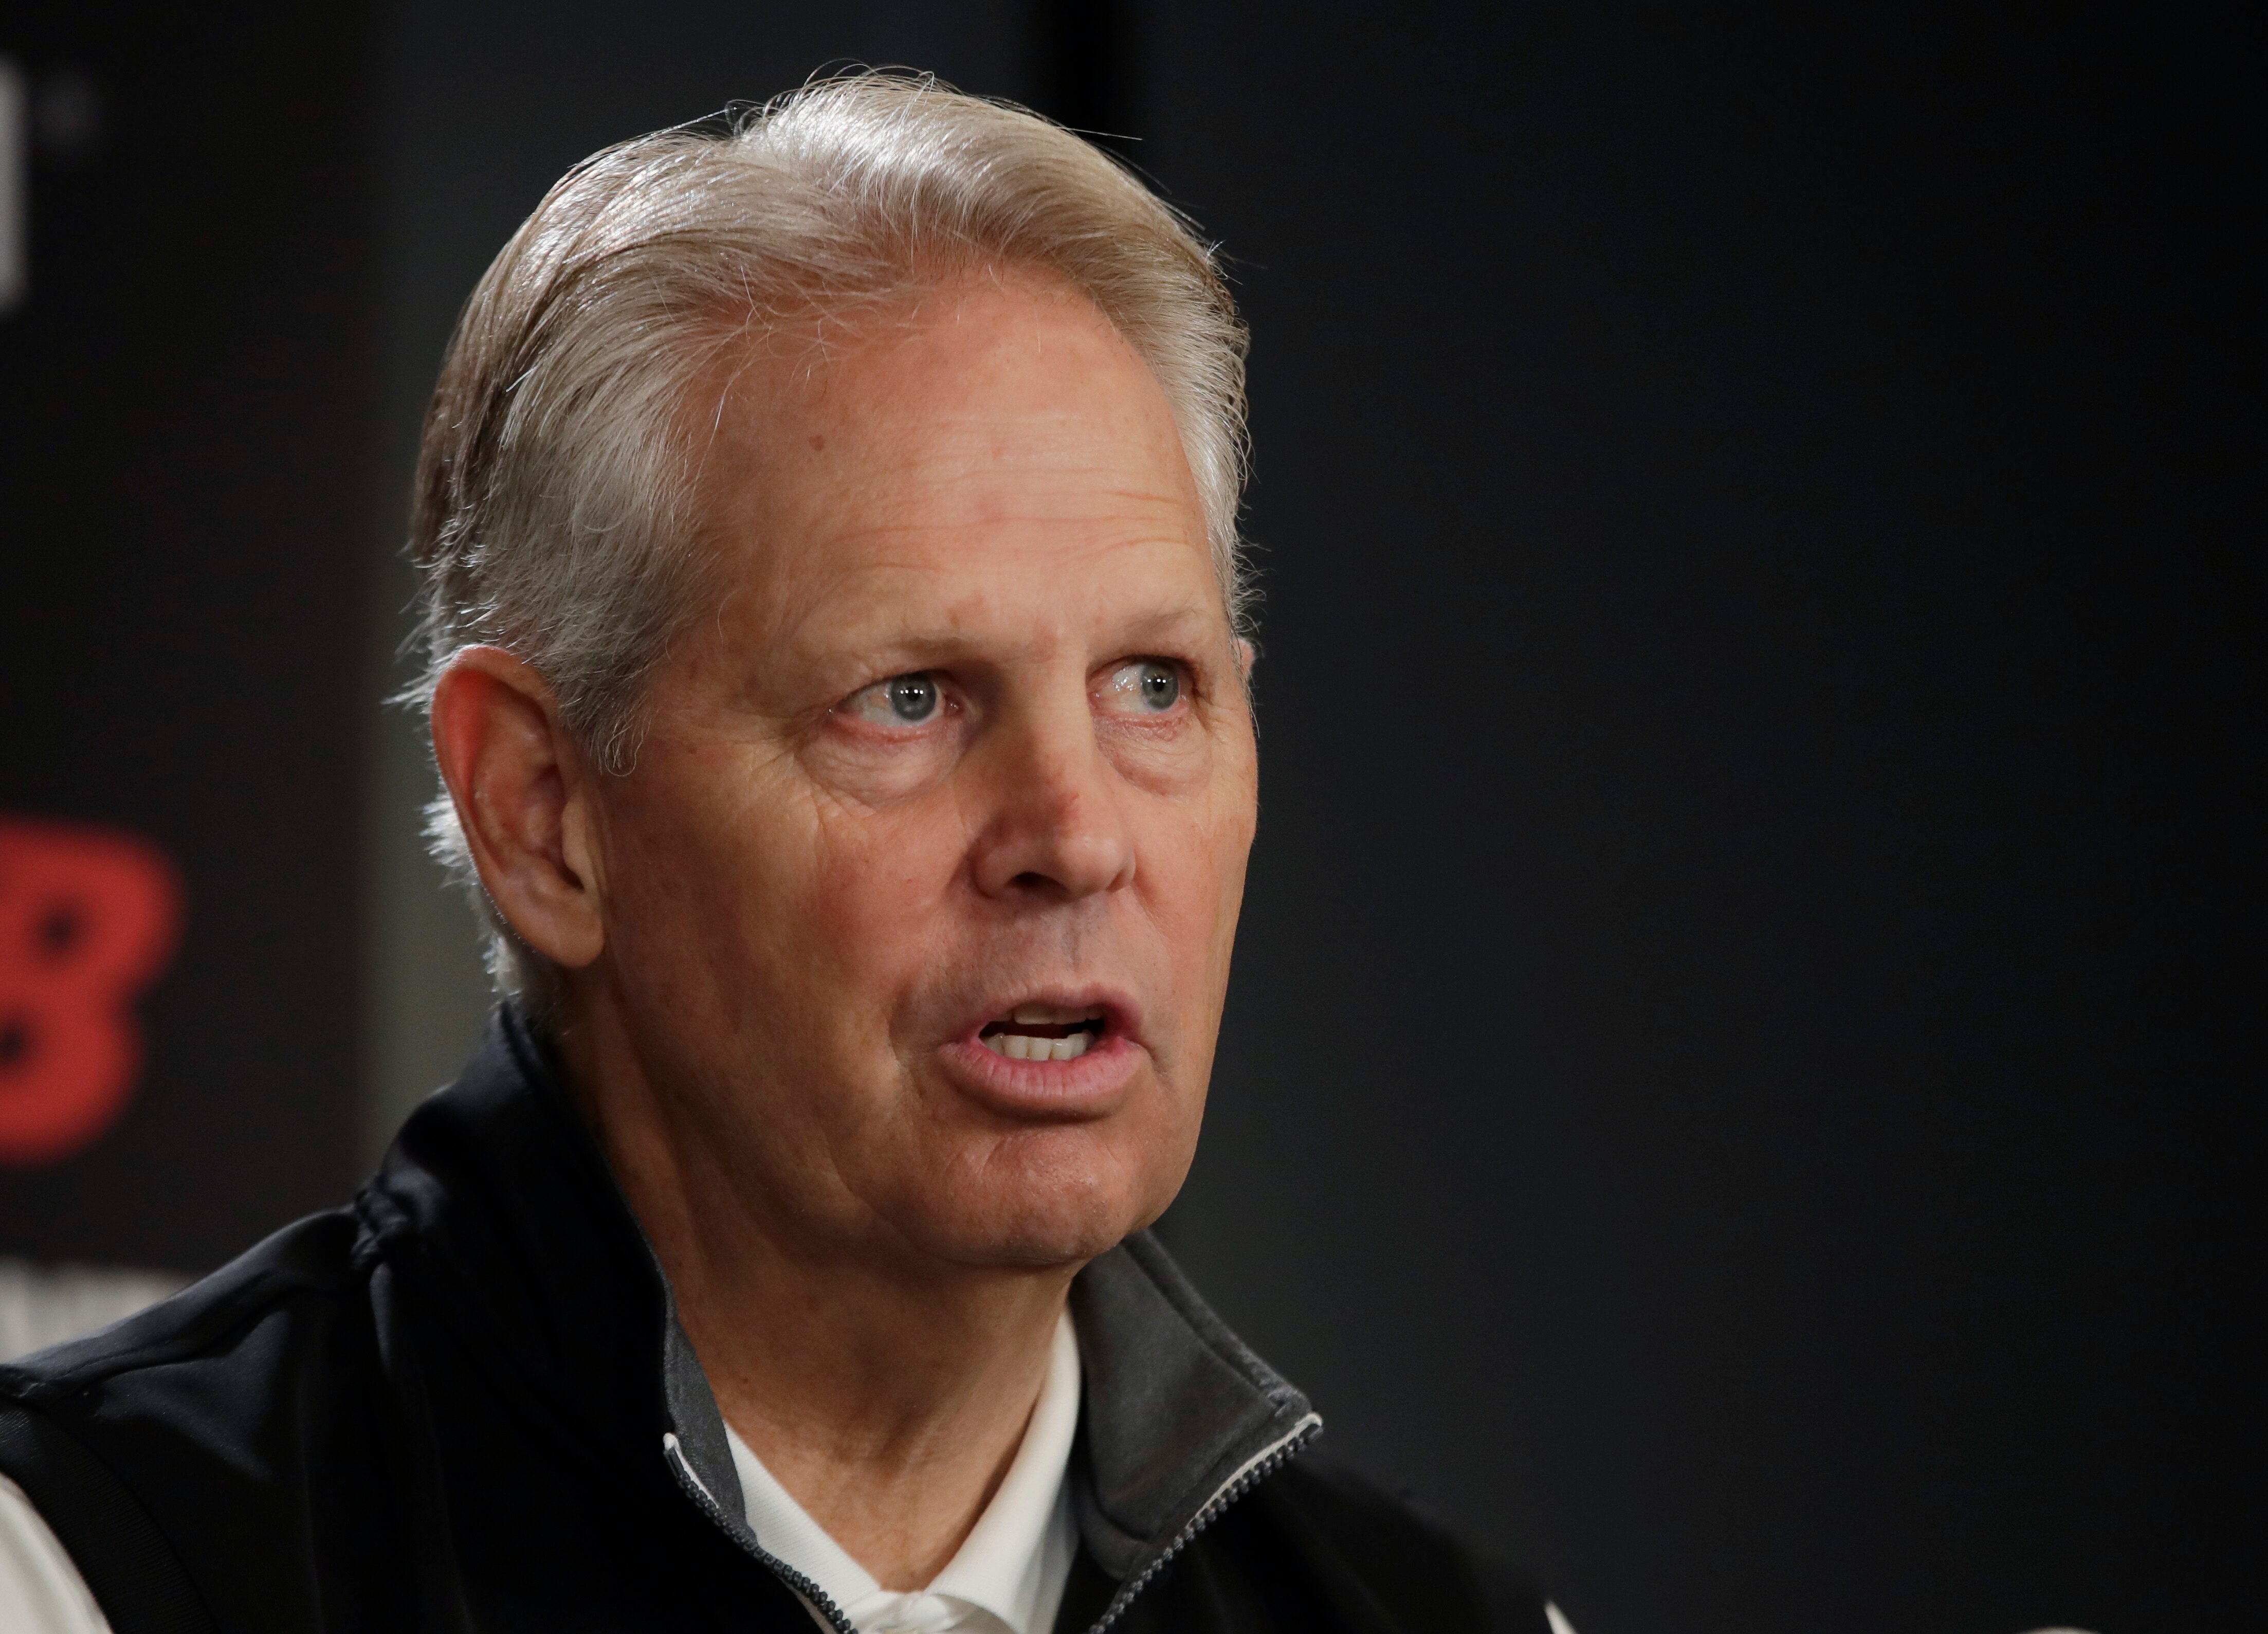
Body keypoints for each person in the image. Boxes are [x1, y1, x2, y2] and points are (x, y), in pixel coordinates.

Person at [0, 76, 1572, 1634]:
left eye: (1152, 687)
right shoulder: (79, 1573)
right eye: (907, 699)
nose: (1077, 836)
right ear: (543, 811)